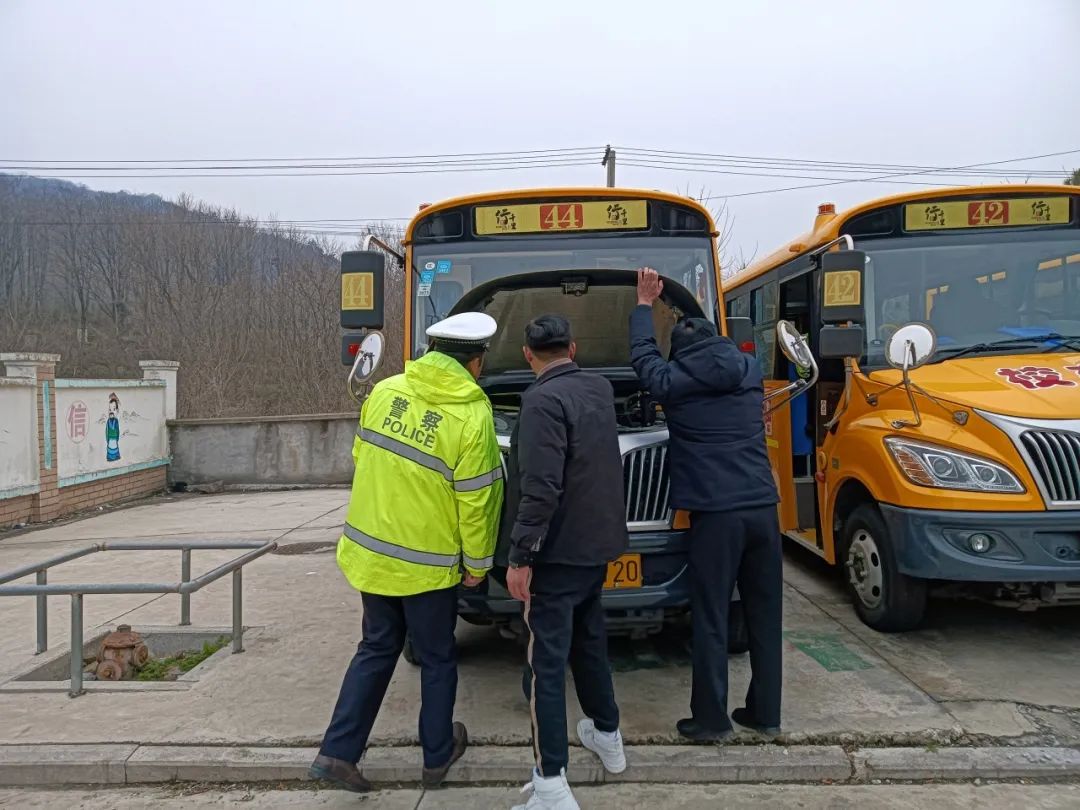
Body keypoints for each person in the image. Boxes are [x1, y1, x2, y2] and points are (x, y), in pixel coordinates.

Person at [310, 312, 505, 792]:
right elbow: (477, 501)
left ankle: (337, 753)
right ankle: (436, 758)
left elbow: (363, 459)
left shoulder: (385, 393)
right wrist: (478, 566)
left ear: (431, 350)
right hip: (429, 567)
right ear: (476, 362)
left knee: (376, 648)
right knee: (437, 658)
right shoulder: (472, 415)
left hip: (372, 555)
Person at [630, 268, 783, 742]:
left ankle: (712, 719)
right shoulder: (750, 371)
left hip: (717, 517)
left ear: (680, 352)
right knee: (764, 616)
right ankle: (765, 713)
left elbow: (642, 356)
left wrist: (642, 305)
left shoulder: (673, 381)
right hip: (763, 508)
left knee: (712, 617)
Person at [503, 314, 628, 810]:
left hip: (555, 557)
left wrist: (520, 556)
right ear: (573, 348)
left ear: (528, 355)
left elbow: (541, 487)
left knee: (545, 667)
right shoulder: (598, 390)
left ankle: (551, 783)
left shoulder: (539, 401)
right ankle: (607, 736)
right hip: (596, 549)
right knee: (590, 643)